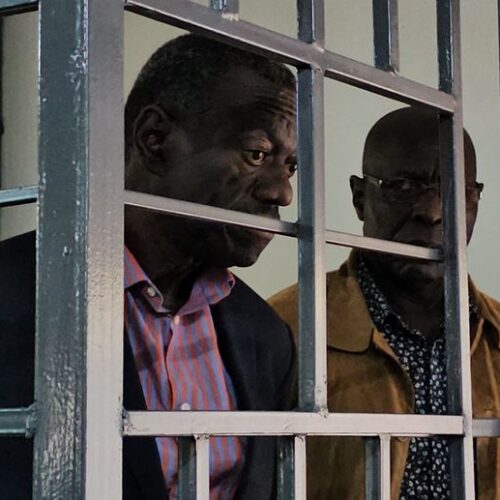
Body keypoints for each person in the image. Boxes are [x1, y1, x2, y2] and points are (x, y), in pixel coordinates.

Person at [0, 34, 297, 500]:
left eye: (290, 166)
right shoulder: (12, 292)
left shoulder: (266, 335)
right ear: (154, 139)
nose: (282, 192)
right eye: (256, 154)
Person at [269, 107, 500, 499]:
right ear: (360, 198)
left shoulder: (494, 334)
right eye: (403, 186)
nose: (431, 212)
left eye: (457, 192)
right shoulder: (286, 328)